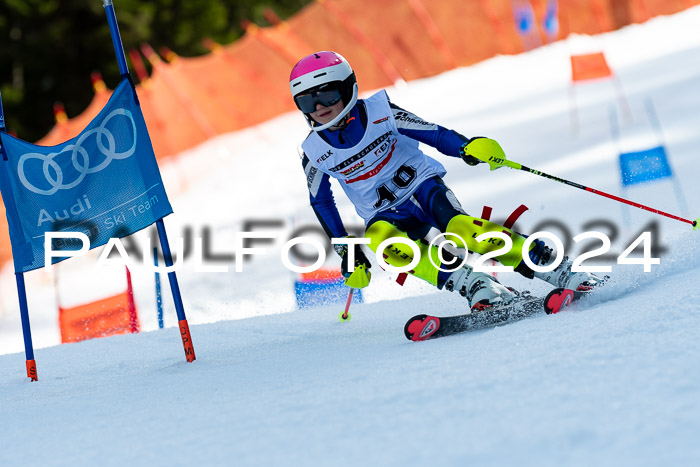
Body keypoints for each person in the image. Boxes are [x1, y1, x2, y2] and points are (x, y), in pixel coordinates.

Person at [290, 51, 603, 312]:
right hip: (383, 214)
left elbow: (433, 133)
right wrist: (348, 250)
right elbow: (321, 201)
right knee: (382, 241)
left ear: (347, 88)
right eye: (307, 102)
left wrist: (466, 147)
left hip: (423, 188)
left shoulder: (381, 112)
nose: (319, 108)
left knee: (463, 231)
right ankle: (478, 285)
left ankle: (559, 268)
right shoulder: (315, 152)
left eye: (327, 95)